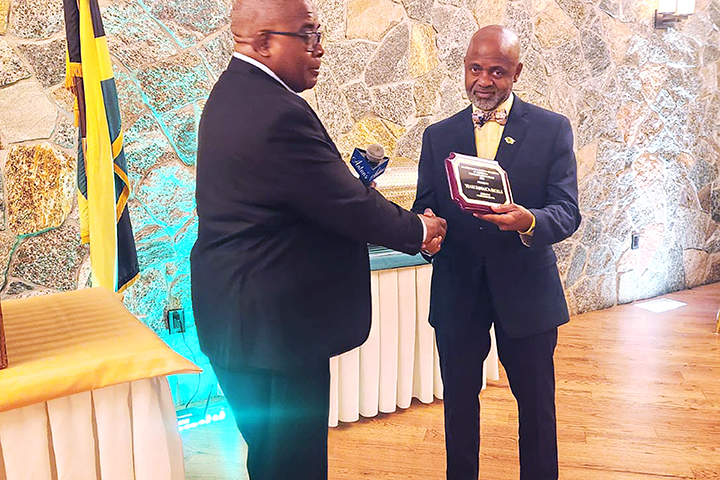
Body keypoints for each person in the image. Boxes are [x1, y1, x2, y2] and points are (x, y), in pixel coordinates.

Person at [189, 0, 447, 478]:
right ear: (264, 42)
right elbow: (345, 203)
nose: (320, 48)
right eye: (307, 35)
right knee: (294, 464)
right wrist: (419, 230)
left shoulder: (233, 92)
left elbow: (306, 196)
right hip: (274, 331)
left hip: (242, 320)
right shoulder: (277, 112)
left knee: (272, 458)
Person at [412, 25, 581, 480]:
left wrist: (528, 221)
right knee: (458, 407)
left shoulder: (552, 129)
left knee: (538, 410)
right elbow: (425, 206)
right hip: (457, 291)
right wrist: (427, 233)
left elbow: (567, 211)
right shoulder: (438, 135)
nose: (483, 81)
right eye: (475, 69)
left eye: (497, 72)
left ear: (517, 73)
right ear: (465, 68)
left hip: (527, 295)